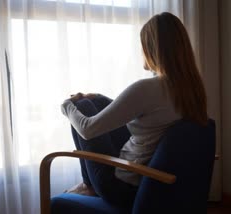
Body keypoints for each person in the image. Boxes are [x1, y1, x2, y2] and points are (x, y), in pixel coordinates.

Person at [60, 12, 207, 209]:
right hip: (153, 179)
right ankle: (89, 184)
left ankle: (89, 185)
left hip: (121, 186)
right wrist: (101, 99)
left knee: (82, 107)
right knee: (98, 103)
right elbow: (149, 114)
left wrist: (67, 106)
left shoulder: (148, 88)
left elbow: (87, 130)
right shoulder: (192, 89)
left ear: (151, 48)